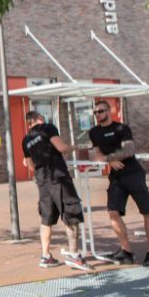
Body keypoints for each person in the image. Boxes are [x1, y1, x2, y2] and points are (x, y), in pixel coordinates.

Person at [88, 100, 149, 267]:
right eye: (95, 112)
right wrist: (109, 161)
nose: (98, 114)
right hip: (116, 177)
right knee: (113, 212)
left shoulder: (122, 128)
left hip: (133, 173)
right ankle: (126, 251)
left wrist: (110, 158)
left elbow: (129, 150)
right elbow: (94, 156)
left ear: (109, 111)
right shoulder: (94, 132)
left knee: (146, 211)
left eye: (101, 111)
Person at [22, 111, 91, 271]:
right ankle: (74, 256)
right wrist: (74, 147)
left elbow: (30, 165)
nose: (44, 118)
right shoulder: (47, 127)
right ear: (37, 119)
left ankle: (45, 257)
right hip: (58, 177)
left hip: (42, 180)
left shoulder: (25, 140)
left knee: (46, 218)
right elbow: (61, 147)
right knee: (71, 211)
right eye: (42, 116)